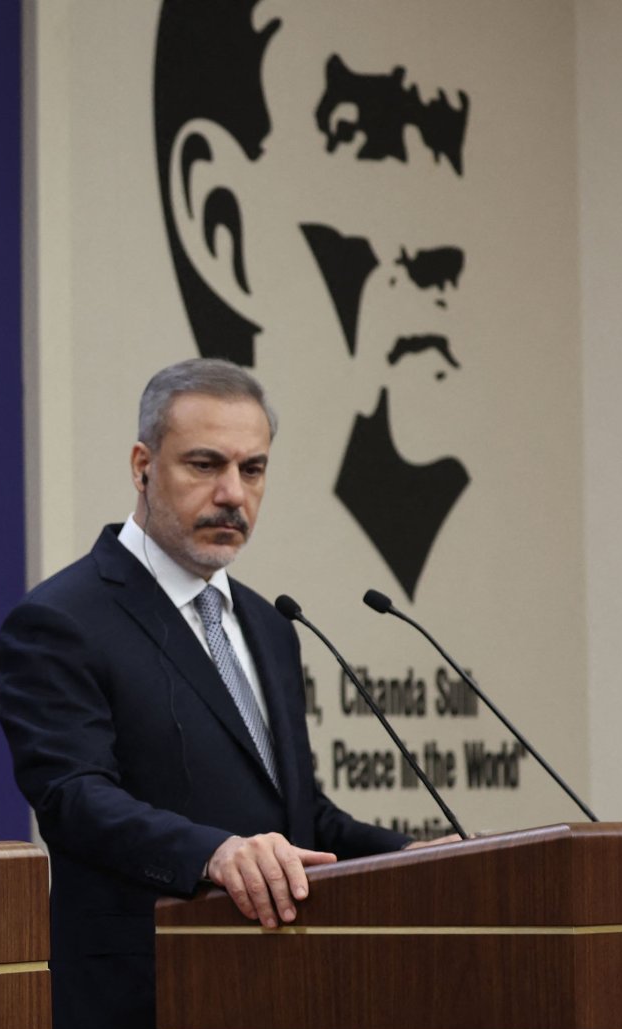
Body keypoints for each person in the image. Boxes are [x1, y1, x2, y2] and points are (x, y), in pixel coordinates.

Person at [0, 359, 414, 1029]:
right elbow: (73, 798)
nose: (232, 494)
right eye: (204, 465)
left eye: (253, 470)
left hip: (273, 1011)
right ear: (142, 465)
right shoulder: (62, 619)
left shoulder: (269, 626)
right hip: (142, 1021)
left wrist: (415, 858)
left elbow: (301, 816)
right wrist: (213, 854)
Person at [153, 0, 474, 599]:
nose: (432, 246)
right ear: (223, 225)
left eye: (440, 137)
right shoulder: (74, 627)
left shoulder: (272, 630)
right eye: (361, 136)